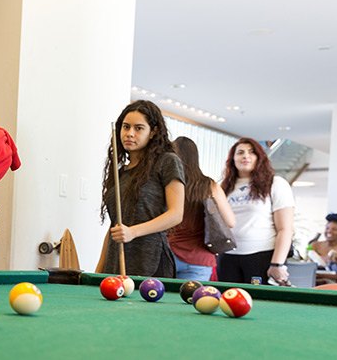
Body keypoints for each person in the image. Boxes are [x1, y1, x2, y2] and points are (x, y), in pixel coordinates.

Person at [97, 100, 185, 278]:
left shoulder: (167, 161)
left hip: (151, 261)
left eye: (138, 128)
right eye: (126, 127)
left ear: (152, 132)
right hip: (116, 263)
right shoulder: (119, 172)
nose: (129, 134)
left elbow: (176, 214)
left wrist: (132, 232)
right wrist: (99, 270)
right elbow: (116, 226)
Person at [218, 138, 295, 285]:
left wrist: (277, 264)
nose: (245, 156)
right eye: (240, 152)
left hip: (262, 257)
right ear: (232, 159)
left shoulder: (276, 183)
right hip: (227, 257)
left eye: (251, 152)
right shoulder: (222, 187)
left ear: (260, 158)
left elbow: (285, 229)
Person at [168, 136, 236, 280]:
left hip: (169, 255)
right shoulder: (209, 186)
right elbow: (230, 222)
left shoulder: (169, 185)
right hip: (199, 259)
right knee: (193, 301)